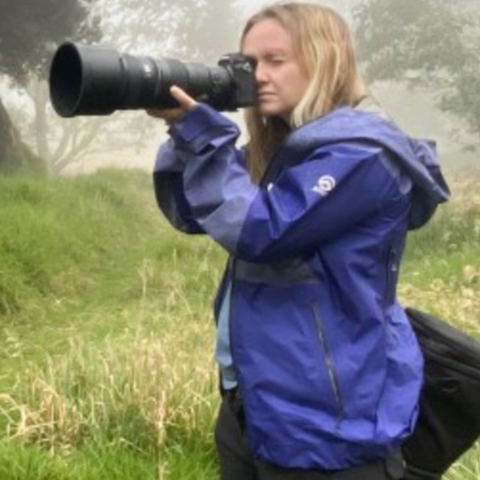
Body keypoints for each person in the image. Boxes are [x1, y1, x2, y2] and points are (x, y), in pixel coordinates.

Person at [148, 3, 450, 479]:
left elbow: (259, 231)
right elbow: (192, 213)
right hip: (255, 403)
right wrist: (183, 133)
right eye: (248, 64)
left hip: (328, 424)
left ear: (324, 60)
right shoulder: (283, 149)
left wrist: (204, 137)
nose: (258, 75)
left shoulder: (362, 155)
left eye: (276, 60)